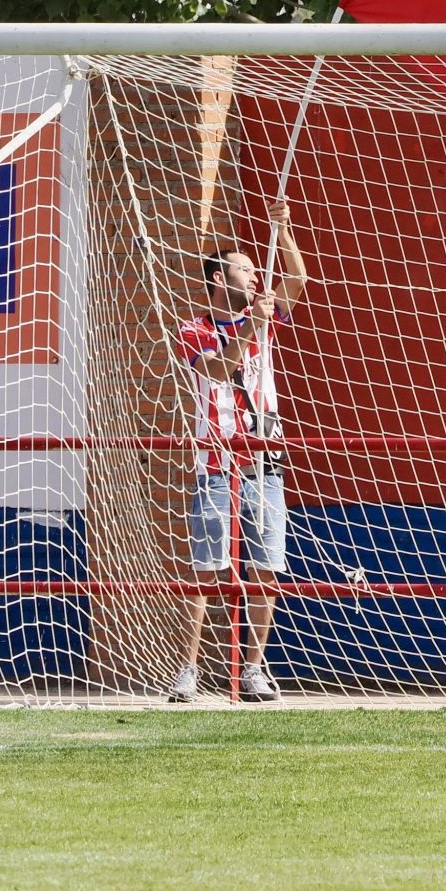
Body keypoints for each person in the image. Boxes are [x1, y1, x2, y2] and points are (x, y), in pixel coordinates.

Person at [168, 200, 310, 703]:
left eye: (255, 268)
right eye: (243, 268)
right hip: (214, 461)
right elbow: (217, 367)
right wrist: (254, 326)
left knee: (265, 569)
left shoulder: (264, 315)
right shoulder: (196, 328)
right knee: (206, 569)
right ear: (216, 279)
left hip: (264, 460)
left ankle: (254, 669)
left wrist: (284, 231)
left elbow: (298, 281)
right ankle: (187, 669)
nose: (254, 276)